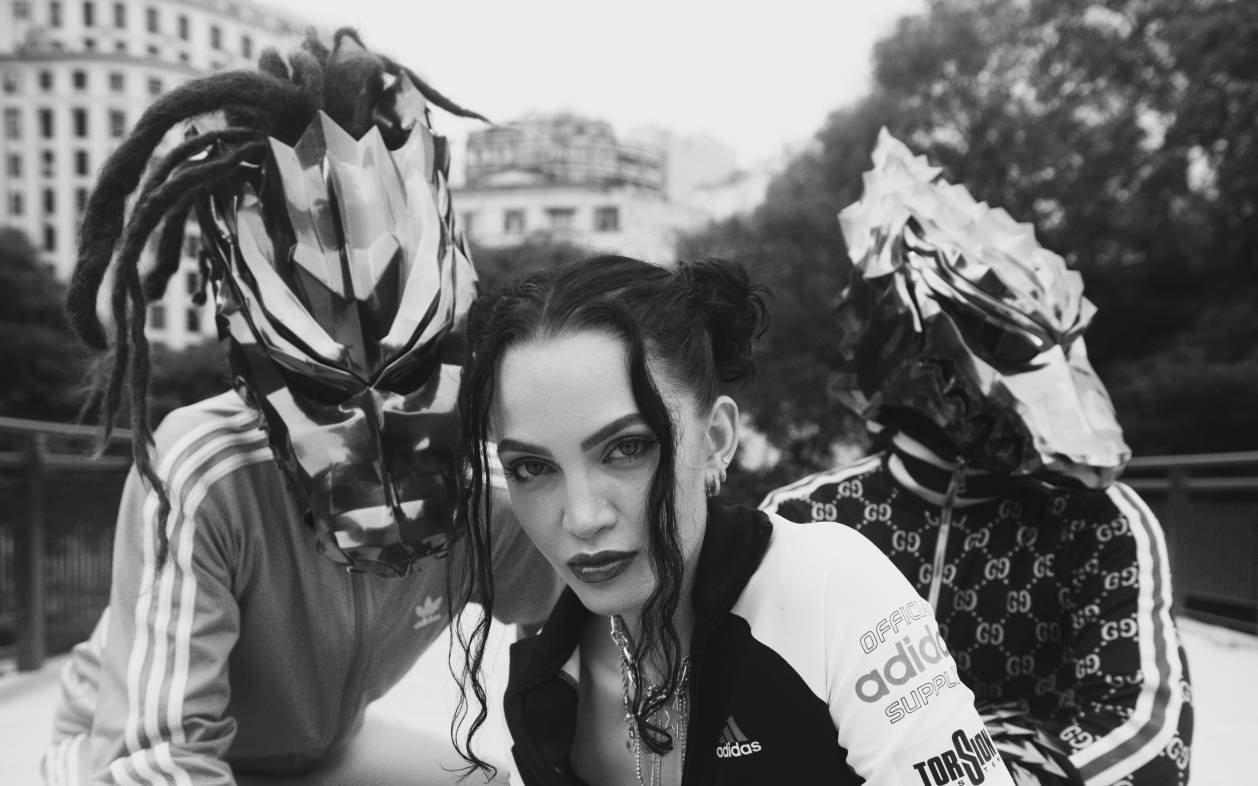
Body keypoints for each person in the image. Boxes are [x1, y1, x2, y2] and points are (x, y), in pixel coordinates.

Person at [43, 30, 557, 784]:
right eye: (321, 388)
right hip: (121, 755)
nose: (375, 423)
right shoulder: (203, 471)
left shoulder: (490, 492)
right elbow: (158, 761)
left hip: (324, 750)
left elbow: (593, 620)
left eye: (414, 371)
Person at [449, 255, 1018, 786]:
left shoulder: (830, 588)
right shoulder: (542, 680)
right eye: (532, 468)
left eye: (626, 449)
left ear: (716, 439)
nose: (582, 517)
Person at [760, 130, 1193, 786]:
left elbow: (1145, 732)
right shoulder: (802, 518)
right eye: (1007, 347)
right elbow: (747, 719)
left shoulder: (1102, 523)